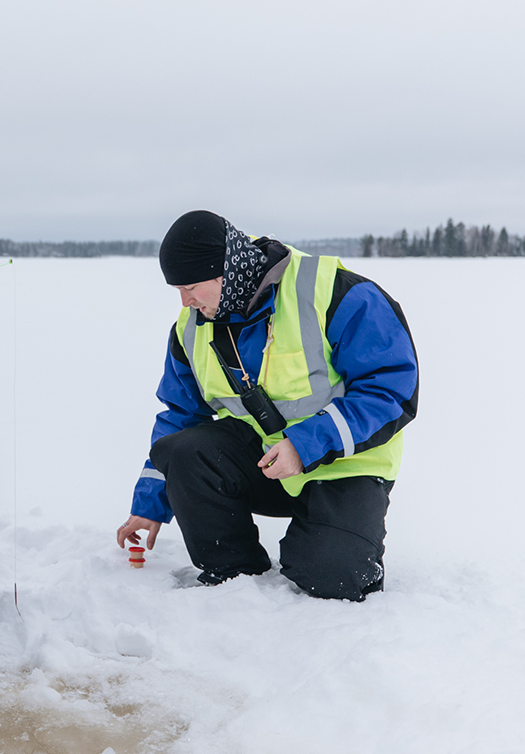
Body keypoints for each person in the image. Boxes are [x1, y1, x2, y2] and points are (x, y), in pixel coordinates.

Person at [117, 210, 418, 600]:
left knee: (333, 576)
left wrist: (305, 444)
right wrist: (151, 504)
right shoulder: (190, 326)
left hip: (345, 467)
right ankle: (234, 573)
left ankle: (336, 543)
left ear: (226, 272)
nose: (185, 300)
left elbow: (391, 389)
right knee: (184, 449)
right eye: (177, 289)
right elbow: (180, 415)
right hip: (265, 463)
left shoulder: (335, 293)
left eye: (191, 286)